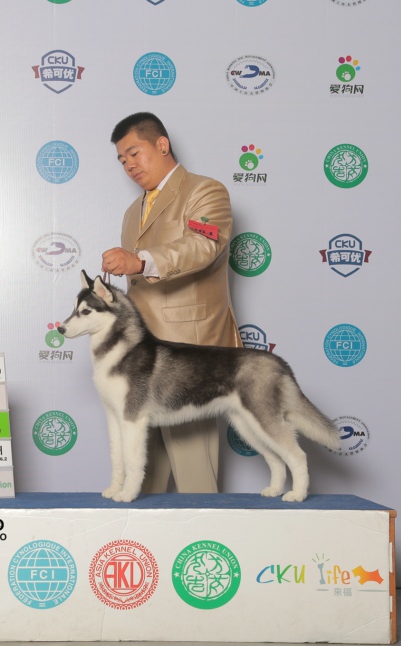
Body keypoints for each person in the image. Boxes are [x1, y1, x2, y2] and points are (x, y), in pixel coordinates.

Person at [101, 112, 242, 495]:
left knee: (195, 475)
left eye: (134, 153)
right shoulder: (133, 212)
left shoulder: (205, 191)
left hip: (188, 354)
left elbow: (204, 245)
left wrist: (140, 260)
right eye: (122, 159)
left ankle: (207, 533)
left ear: (161, 144)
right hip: (141, 360)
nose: (129, 164)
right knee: (142, 478)